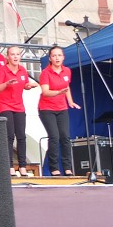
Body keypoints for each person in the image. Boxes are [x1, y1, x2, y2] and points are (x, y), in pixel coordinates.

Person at [0, 46, 38, 176]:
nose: (15, 57)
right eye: (12, 54)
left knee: (21, 136)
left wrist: (29, 86)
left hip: (19, 106)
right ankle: (10, 166)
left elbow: (24, 84)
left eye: (17, 54)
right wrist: (6, 84)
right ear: (8, 57)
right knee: (9, 136)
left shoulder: (22, 70)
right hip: (5, 106)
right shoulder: (2, 70)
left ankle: (23, 166)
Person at [38, 46, 80, 176]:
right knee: (54, 137)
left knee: (65, 137)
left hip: (62, 108)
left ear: (63, 57)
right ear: (50, 58)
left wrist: (70, 101)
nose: (57, 58)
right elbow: (45, 92)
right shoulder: (45, 73)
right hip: (46, 108)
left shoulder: (67, 71)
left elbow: (66, 87)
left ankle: (67, 167)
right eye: (54, 56)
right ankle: (54, 168)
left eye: (59, 55)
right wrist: (58, 92)